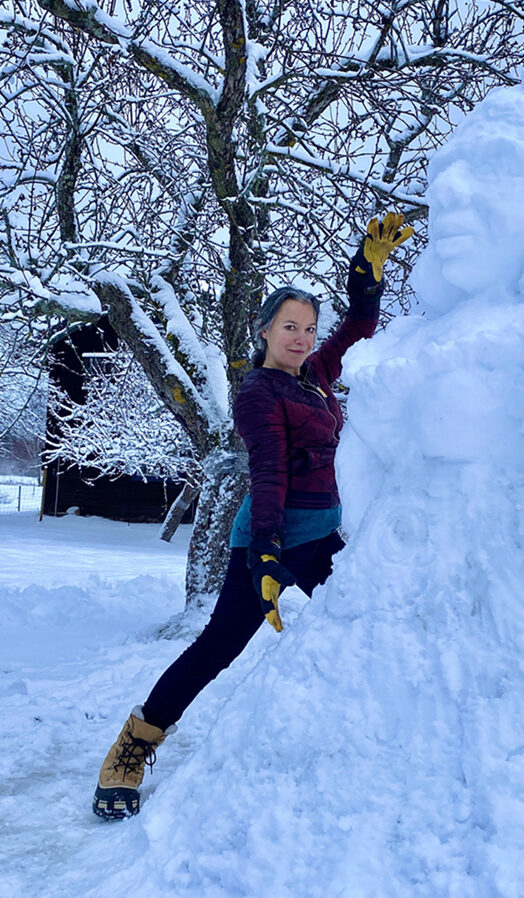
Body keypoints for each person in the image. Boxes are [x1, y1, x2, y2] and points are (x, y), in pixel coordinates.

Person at [92, 213, 413, 820]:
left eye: (309, 329)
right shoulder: (259, 392)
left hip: (323, 538)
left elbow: (360, 329)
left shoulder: (316, 377)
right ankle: (133, 746)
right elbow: (269, 470)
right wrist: (265, 549)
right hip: (267, 537)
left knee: (373, 614)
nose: (302, 338)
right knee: (217, 647)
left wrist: (367, 277)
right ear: (264, 329)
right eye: (290, 326)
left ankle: (382, 740)